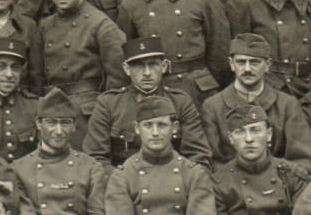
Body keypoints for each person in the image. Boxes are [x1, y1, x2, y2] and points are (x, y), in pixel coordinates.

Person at [83, 37, 213, 166]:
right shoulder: (109, 104)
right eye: (139, 66)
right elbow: (95, 159)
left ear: (163, 66)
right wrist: (121, 183)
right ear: (127, 69)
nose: (147, 73)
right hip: (125, 182)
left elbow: (199, 157)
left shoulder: (181, 102)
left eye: (153, 65)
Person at [201, 33, 311, 168]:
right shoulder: (213, 106)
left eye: (255, 62)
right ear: (231, 64)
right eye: (241, 62)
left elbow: (303, 161)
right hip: (230, 185)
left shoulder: (287, 105)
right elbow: (212, 161)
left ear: (267, 65)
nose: (247, 69)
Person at [39, 0, 126, 117]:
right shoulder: (45, 25)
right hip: (52, 109)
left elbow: (118, 80)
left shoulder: (100, 24)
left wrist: (104, 115)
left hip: (87, 111)